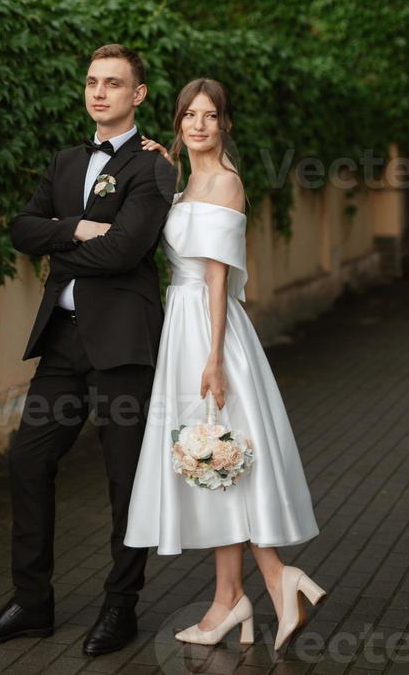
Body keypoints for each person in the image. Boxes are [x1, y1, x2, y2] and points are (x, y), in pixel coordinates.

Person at [0, 44, 176, 657]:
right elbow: (21, 228)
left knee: (124, 480)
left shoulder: (153, 167)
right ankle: (31, 604)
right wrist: (75, 228)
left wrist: (56, 244)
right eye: (91, 82)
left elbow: (127, 252)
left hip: (122, 346)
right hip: (63, 341)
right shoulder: (62, 161)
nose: (98, 92)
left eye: (113, 83)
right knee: (27, 462)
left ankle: (120, 607)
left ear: (138, 95)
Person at [124, 77, 327, 652]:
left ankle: (258, 588)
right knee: (211, 461)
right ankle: (237, 597)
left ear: (225, 124)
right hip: (185, 326)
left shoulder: (225, 184)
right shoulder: (189, 182)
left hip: (208, 330)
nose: (198, 125)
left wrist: (213, 358)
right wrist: (168, 171)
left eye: (210, 116)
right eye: (189, 114)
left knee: (219, 456)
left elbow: (215, 278)